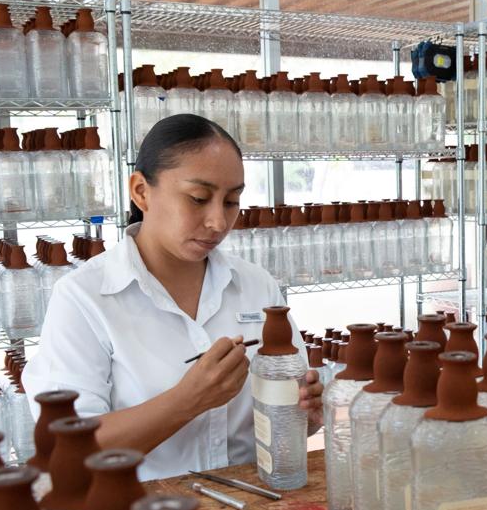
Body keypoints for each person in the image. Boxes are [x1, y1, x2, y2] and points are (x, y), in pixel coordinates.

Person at [23, 114, 322, 481]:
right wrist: (187, 401)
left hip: (254, 506)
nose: (217, 222)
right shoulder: (85, 298)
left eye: (231, 202)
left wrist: (306, 412)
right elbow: (66, 451)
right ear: (141, 192)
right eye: (198, 199)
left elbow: (292, 413)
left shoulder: (255, 285)